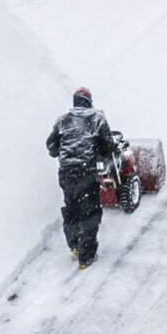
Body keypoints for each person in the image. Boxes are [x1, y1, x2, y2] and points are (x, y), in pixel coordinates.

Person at [46, 87, 115, 269]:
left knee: (72, 207)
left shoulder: (62, 121)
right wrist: (102, 150)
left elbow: (51, 147)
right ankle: (86, 256)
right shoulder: (97, 119)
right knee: (90, 212)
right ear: (89, 101)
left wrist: (66, 150)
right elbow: (107, 147)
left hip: (66, 174)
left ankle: (74, 245)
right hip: (86, 173)